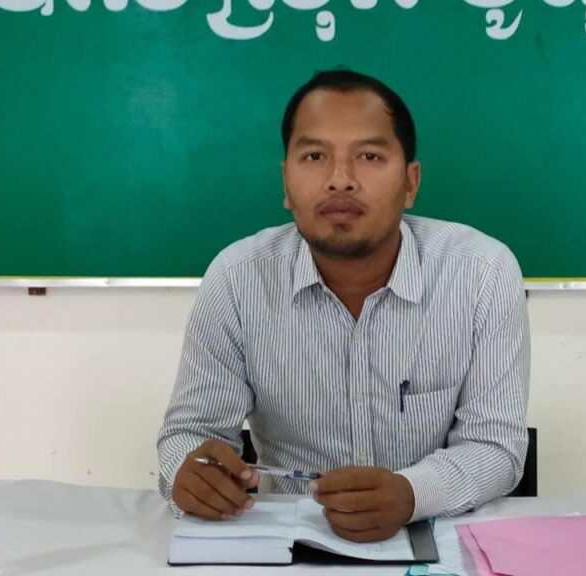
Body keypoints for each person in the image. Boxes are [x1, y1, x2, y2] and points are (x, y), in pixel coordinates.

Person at [157, 69, 530, 543]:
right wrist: (189, 473)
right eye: (315, 156)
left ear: (410, 182)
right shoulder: (237, 278)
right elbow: (190, 433)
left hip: (431, 538)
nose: (340, 180)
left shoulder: (482, 273)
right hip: (288, 544)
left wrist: (411, 494)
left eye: (369, 156)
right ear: (286, 182)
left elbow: (496, 447)